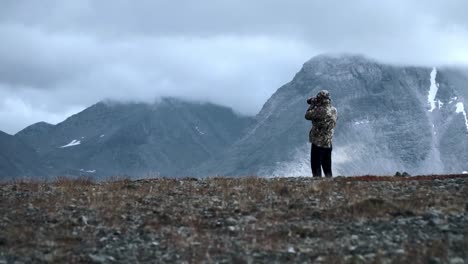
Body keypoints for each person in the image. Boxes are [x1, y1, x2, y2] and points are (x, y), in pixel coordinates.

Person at [305, 90, 337, 177]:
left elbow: (307, 115)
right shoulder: (334, 110)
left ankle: (318, 186)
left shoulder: (319, 110)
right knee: (327, 167)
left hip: (318, 143)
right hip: (328, 142)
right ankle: (329, 185)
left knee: (316, 167)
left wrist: (313, 104)